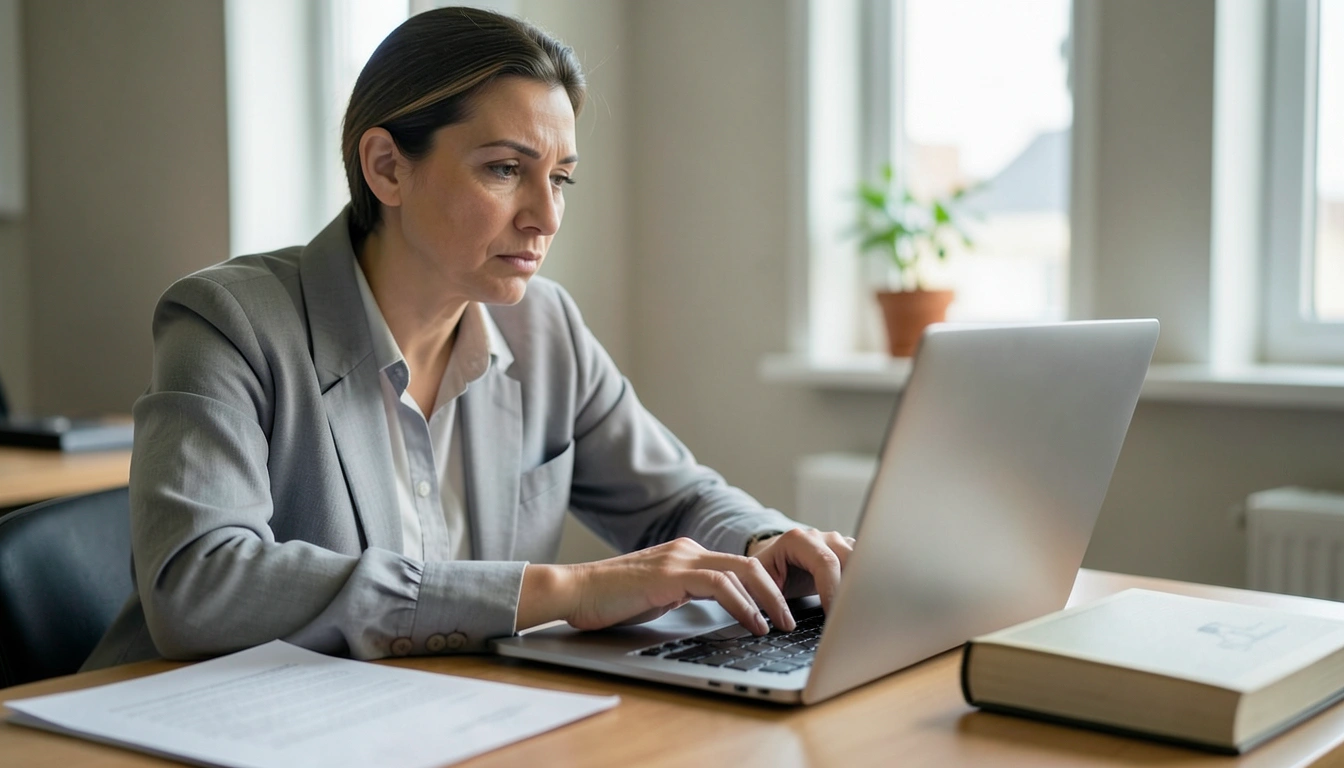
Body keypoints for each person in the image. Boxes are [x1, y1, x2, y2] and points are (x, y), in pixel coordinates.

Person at [83, 6, 853, 670]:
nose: (545, 218)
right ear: (387, 167)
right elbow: (201, 588)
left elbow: (673, 500)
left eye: (559, 179)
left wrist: (765, 543)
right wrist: (562, 591)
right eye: (504, 170)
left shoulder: (546, 327)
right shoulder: (226, 323)